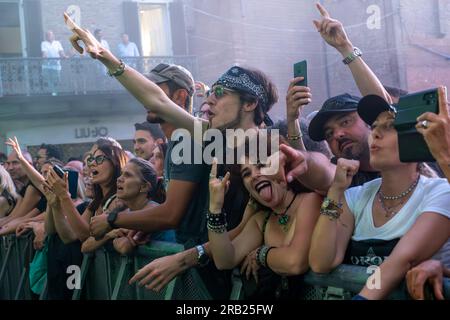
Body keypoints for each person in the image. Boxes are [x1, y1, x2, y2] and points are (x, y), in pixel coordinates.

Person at [308, 95, 450, 300]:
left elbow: (401, 260)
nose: (375, 133)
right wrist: (336, 191)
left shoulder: (438, 192)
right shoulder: (354, 196)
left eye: (390, 126)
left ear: (417, 137)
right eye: (374, 126)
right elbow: (321, 262)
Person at [283, 3, 393, 193]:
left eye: (345, 121)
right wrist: (292, 120)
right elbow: (309, 171)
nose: (337, 135)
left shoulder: (406, 158)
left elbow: (383, 109)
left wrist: (344, 47)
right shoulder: (344, 178)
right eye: (328, 134)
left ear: (370, 123)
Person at [111, 158, 175, 255]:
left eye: (127, 175)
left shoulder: (152, 210)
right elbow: (86, 246)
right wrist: (110, 235)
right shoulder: (126, 212)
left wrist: (112, 237)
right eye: (121, 173)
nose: (119, 179)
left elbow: (124, 247)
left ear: (144, 187)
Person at [41, 30, 67, 96]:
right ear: (46, 36)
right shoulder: (44, 43)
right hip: (47, 65)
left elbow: (61, 51)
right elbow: (44, 53)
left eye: (50, 35)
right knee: (48, 79)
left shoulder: (57, 43)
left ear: (53, 36)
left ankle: (56, 92)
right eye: (47, 35)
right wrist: (44, 57)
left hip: (56, 65)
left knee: (57, 79)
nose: (48, 36)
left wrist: (64, 56)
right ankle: (52, 93)